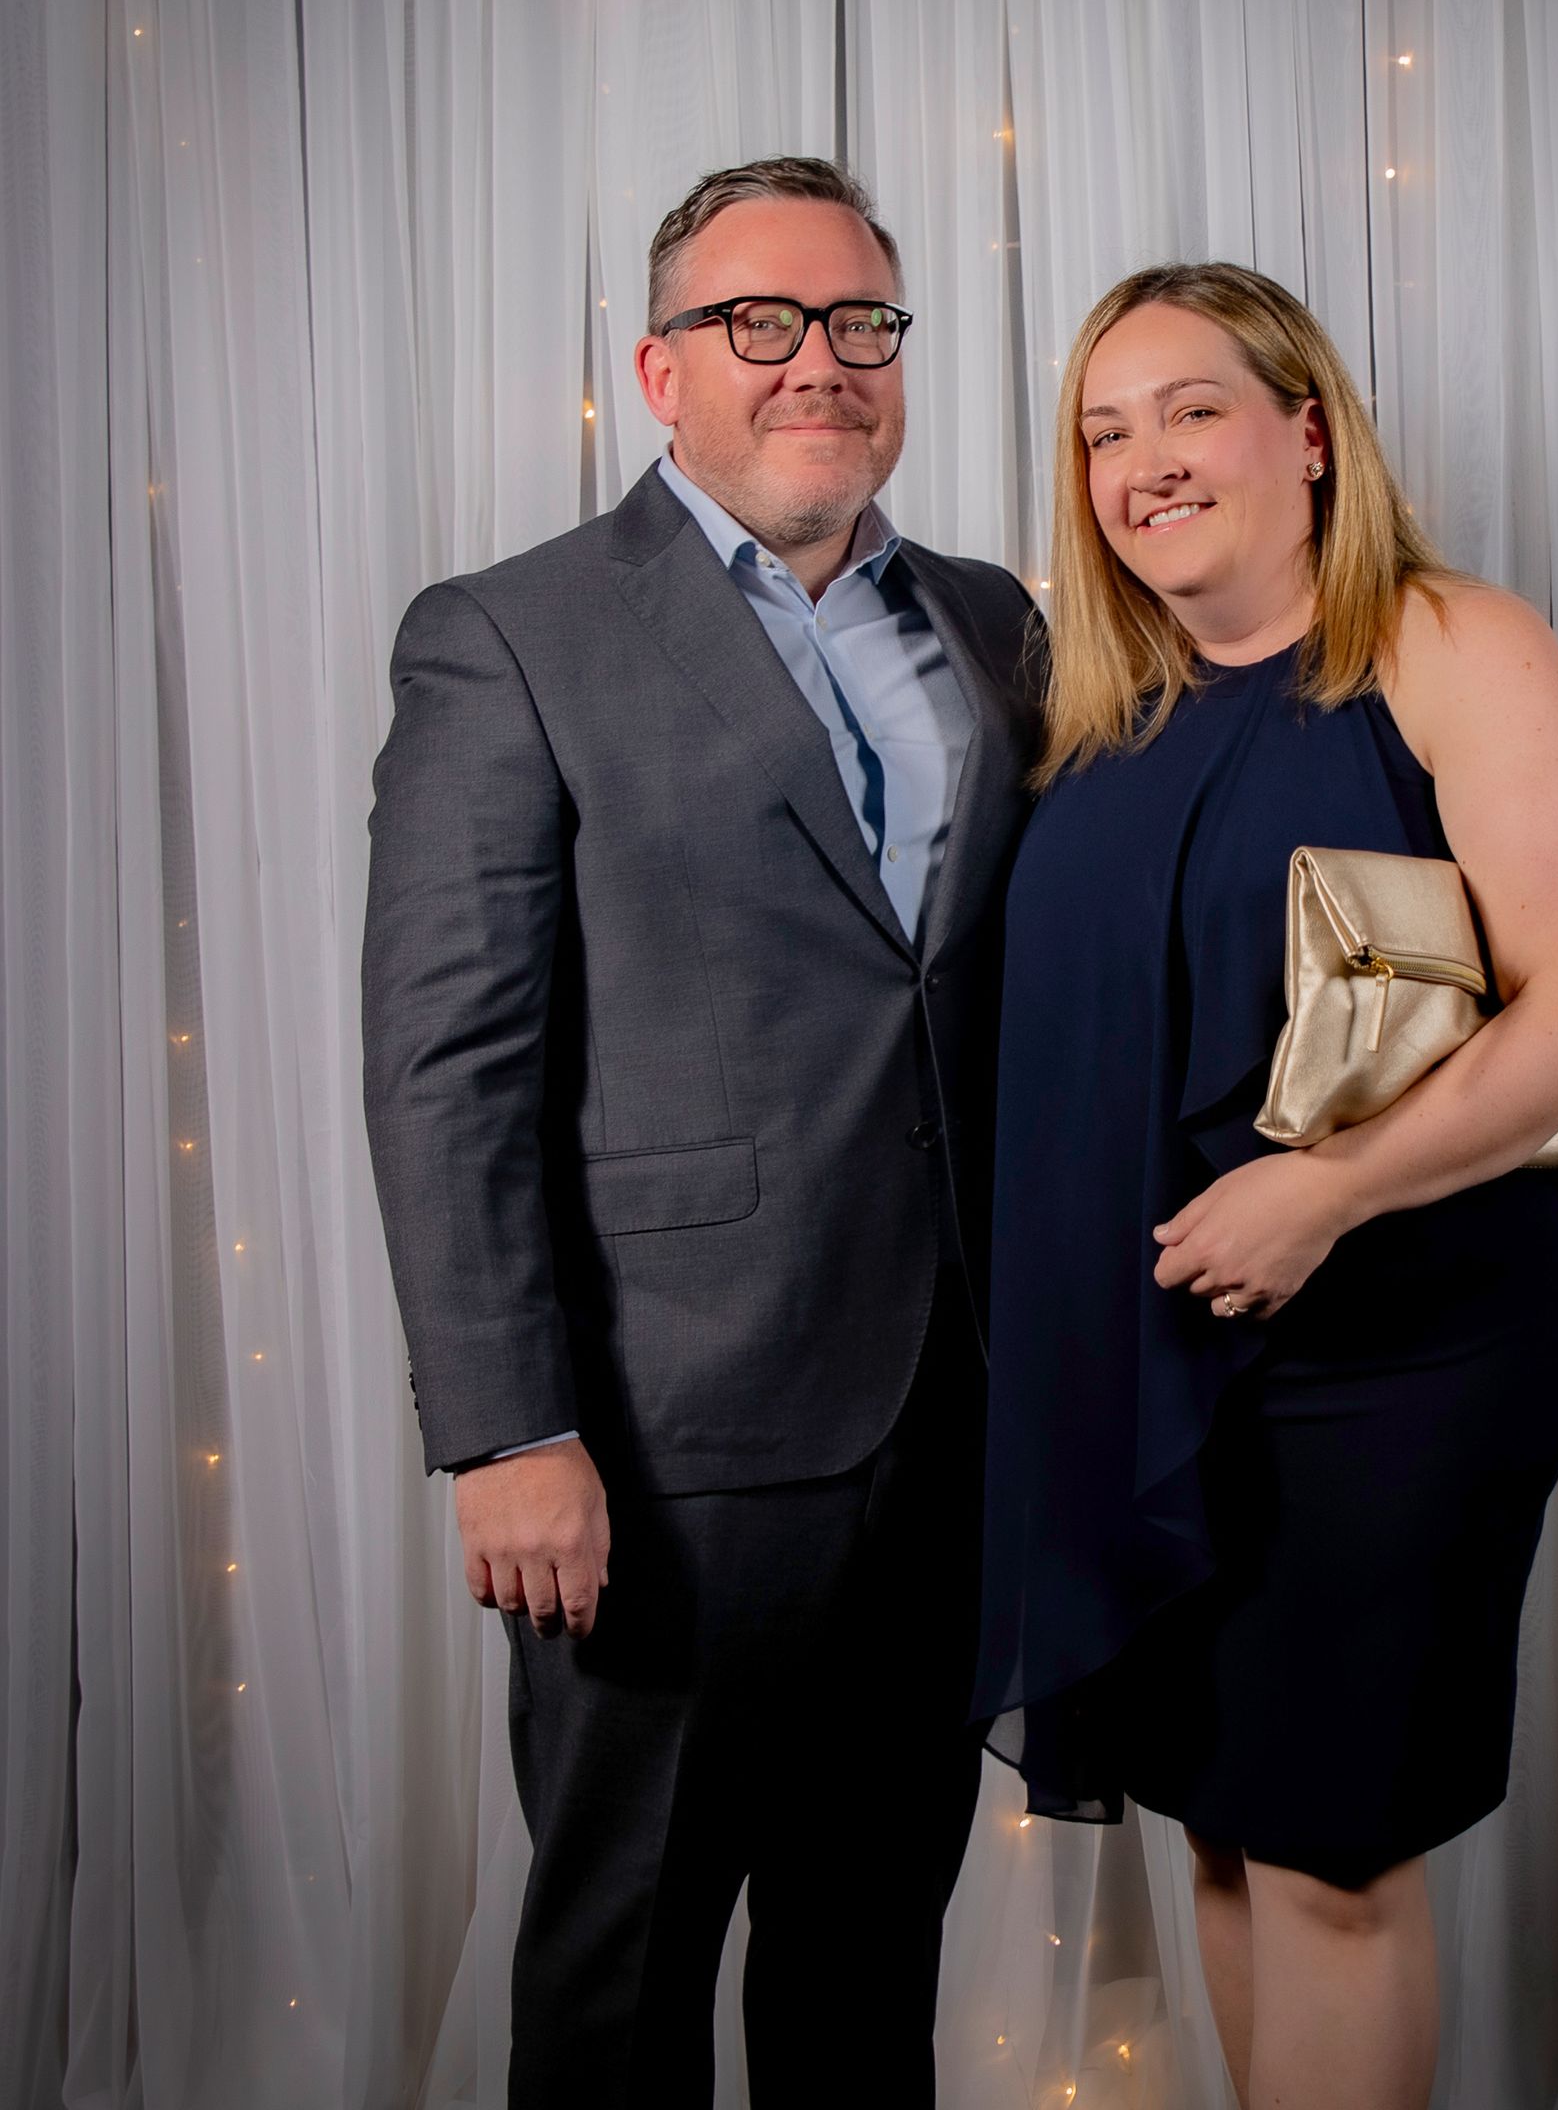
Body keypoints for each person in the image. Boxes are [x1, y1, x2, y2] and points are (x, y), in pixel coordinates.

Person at [362, 157, 1044, 2108]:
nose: (816, 361)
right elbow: (448, 1061)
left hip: (948, 1438)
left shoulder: (996, 628)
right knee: (622, 1973)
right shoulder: (510, 634)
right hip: (657, 1455)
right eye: (760, 322)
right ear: (661, 372)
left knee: (864, 1971)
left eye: (858, 324)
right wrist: (505, 1430)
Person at [972, 263, 1558, 2110]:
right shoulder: (1099, 705)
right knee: (1223, 1830)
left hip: (1399, 1358)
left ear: (1312, 433)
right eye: (1105, 432)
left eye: (1191, 409)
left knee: (1331, 1862)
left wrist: (1320, 1196)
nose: (1144, 462)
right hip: (1159, 1352)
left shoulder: (1448, 643)